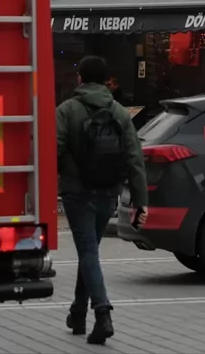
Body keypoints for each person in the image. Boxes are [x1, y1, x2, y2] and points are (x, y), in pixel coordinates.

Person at [56, 55, 148, 344]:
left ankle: (102, 312)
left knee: (87, 252)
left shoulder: (67, 110)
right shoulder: (120, 112)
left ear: (80, 79)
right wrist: (139, 200)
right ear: (107, 81)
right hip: (108, 192)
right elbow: (135, 159)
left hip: (77, 193)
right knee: (90, 251)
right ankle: (78, 314)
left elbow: (53, 149)